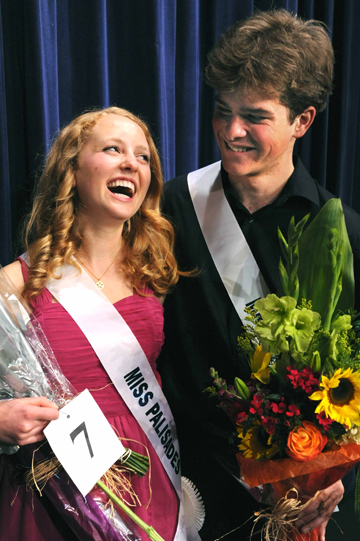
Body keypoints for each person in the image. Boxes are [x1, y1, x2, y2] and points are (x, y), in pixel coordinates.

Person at [158, 9, 360, 541]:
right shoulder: (172, 208)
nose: (231, 131)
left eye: (254, 116)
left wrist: (338, 476)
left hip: (306, 502)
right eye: (222, 111)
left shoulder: (343, 234)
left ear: (303, 121)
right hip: (188, 494)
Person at [0, 107, 183, 541]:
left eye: (143, 157)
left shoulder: (159, 277)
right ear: (72, 170)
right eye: (113, 149)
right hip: (52, 492)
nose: (130, 164)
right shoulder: (14, 284)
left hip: (147, 478)